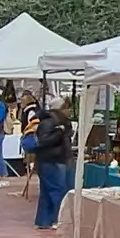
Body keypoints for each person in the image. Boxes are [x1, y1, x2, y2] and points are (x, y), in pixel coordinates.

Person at [31, 97, 74, 229]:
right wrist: (59, 132)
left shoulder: (57, 122)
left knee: (47, 191)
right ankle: (58, 219)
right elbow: (44, 141)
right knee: (57, 190)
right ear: (60, 108)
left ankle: (43, 221)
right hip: (51, 160)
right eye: (67, 107)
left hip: (51, 159)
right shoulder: (49, 123)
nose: (69, 111)